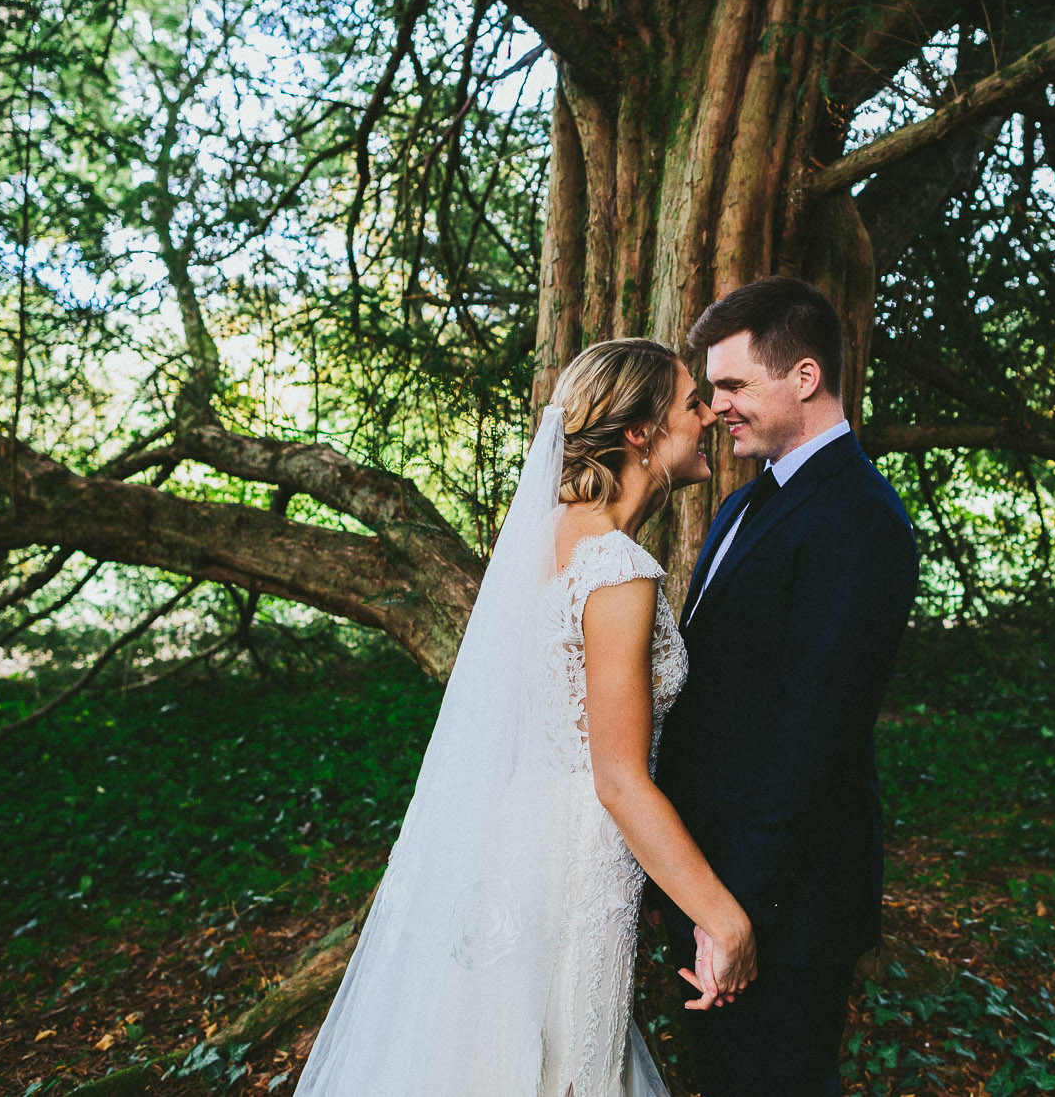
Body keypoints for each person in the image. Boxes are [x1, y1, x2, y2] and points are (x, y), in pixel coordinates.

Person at [295, 338, 755, 1097]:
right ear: (640, 431)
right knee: (572, 1068)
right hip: (581, 862)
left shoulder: (545, 539)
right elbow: (617, 779)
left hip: (517, 839)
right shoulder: (618, 569)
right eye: (689, 403)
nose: (706, 417)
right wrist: (724, 918)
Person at [653, 276, 921, 1097]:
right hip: (711, 883)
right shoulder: (740, 506)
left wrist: (735, 914)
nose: (716, 407)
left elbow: (813, 735)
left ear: (804, 377)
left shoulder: (860, 518)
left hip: (784, 904)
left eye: (734, 385)